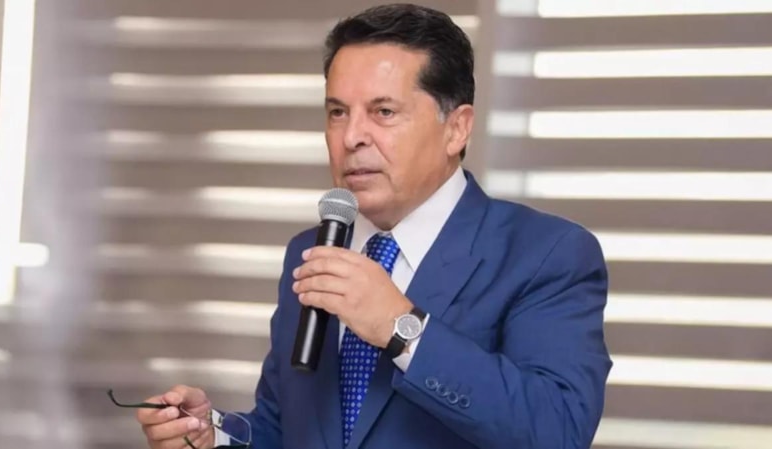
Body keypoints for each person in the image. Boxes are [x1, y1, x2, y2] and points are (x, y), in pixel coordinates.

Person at [134, 3, 612, 449]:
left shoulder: (546, 254)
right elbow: (286, 428)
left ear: (457, 128)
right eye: (337, 112)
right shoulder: (312, 251)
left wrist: (400, 328)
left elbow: (558, 429)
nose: (351, 137)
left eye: (383, 112)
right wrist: (212, 436)